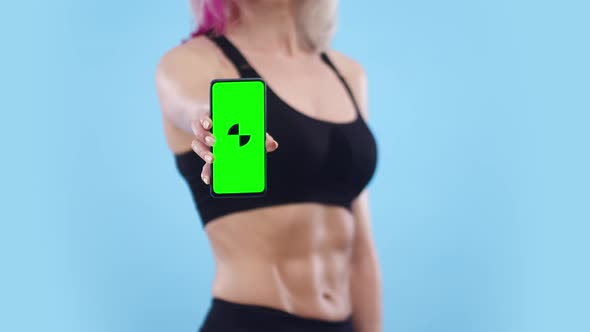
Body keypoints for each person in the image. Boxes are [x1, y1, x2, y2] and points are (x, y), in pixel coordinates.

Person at [155, 1, 382, 331]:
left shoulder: (348, 75)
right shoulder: (191, 63)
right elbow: (190, 106)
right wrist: (207, 122)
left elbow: (361, 253)